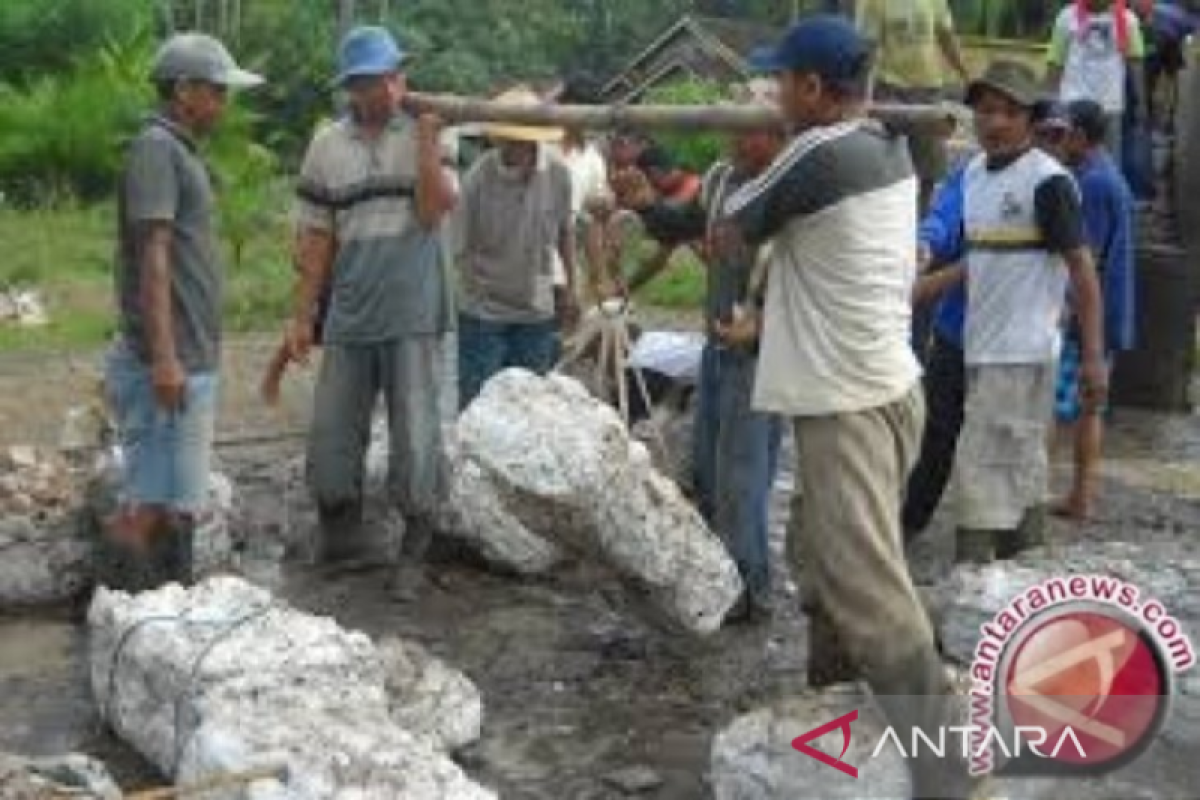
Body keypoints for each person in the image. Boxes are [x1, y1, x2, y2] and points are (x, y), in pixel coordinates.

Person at [724, 16, 984, 799]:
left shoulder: (819, 151)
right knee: (820, 561)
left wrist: (732, 160)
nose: (770, 95)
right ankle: (833, 703)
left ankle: (952, 771)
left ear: (811, 88)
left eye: (779, 82)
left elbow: (731, 231)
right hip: (881, 391)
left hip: (849, 406)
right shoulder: (887, 148)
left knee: (870, 594)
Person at [610, 80, 786, 622]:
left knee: (744, 476)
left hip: (760, 355)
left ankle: (750, 589)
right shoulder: (721, 179)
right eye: (730, 126)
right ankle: (715, 574)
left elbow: (800, 278)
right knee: (708, 468)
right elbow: (683, 225)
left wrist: (760, 327)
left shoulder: (790, 189)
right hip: (718, 344)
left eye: (745, 129)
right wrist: (647, 206)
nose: (733, 138)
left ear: (776, 134)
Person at [919, 61, 1107, 564]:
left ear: (1030, 120)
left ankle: (978, 573)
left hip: (1022, 353)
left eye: (1008, 112)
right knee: (1013, 466)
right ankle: (1016, 568)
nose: (994, 122)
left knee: (986, 466)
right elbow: (976, 263)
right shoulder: (975, 176)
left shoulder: (1048, 183)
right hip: (978, 345)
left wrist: (1092, 357)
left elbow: (1083, 272)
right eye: (984, 110)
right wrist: (912, 291)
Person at [287, 26, 457, 566]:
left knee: (416, 432)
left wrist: (428, 144)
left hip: (413, 308)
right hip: (351, 308)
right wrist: (302, 315)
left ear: (399, 77)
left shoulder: (430, 130)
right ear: (350, 88)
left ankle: (416, 544)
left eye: (388, 77)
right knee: (334, 427)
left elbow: (432, 212)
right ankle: (341, 537)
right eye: (366, 82)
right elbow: (317, 237)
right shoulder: (327, 144)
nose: (381, 90)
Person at [104, 32, 263, 585]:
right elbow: (153, 254)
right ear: (183, 91)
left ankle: (166, 618)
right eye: (216, 90)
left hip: (187, 358)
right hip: (167, 364)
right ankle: (130, 620)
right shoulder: (155, 149)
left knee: (176, 503)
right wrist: (165, 359)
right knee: (148, 505)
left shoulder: (176, 151)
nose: (223, 102)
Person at [1035, 99, 1136, 521]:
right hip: (1113, 309)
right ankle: (1081, 494)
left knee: (1061, 407)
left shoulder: (1092, 184)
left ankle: (1056, 492)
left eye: (1062, 133)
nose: (1056, 142)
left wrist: (1064, 312)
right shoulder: (1109, 174)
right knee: (1088, 406)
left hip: (1086, 318)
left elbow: (1084, 260)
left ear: (1079, 136)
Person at [456, 86, 577, 409]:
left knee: (529, 406)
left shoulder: (558, 175)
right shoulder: (477, 180)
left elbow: (565, 233)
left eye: (527, 139)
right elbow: (460, 247)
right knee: (480, 405)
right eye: (513, 139)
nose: (520, 146)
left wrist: (571, 290)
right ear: (500, 139)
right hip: (484, 309)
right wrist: (473, 288)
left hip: (535, 307)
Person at [856, 0, 971, 212]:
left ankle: (920, 223)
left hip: (929, 88)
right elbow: (869, 48)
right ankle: (886, 214)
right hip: (890, 88)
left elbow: (946, 37)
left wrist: (965, 74)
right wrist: (863, 95)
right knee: (887, 158)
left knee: (928, 167)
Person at [1047, 0, 1148, 159]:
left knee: (1110, 160)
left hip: (1110, 107)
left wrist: (1141, 102)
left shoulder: (1127, 20)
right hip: (1073, 105)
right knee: (1068, 159)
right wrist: (1050, 103)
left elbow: (1135, 62)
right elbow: (1055, 62)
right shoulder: (1066, 17)